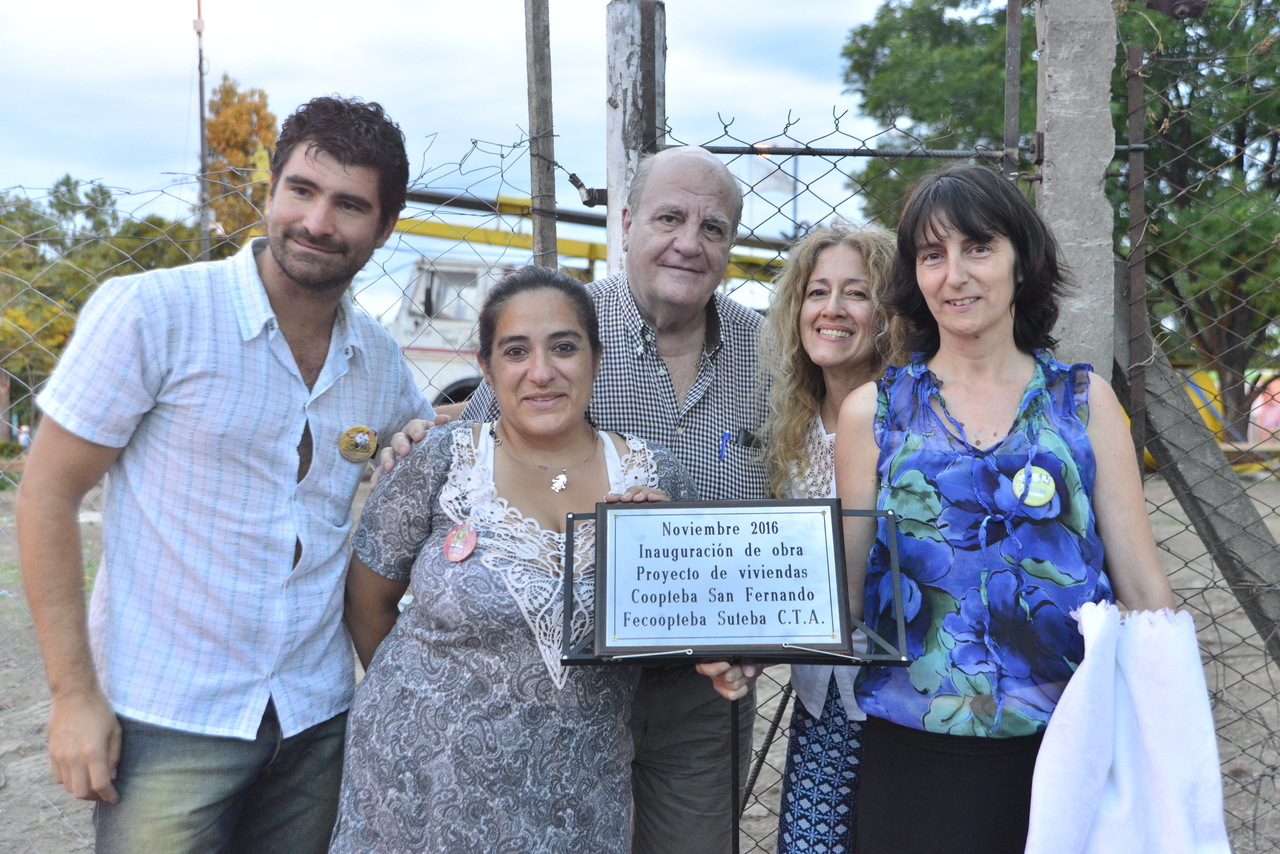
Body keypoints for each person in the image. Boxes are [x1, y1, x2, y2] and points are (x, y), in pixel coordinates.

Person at [16, 96, 434, 854]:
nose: (316, 222)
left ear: (385, 227)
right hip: (169, 720)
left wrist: (413, 439)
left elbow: (424, 445)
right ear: (271, 191)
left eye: (349, 205)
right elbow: (47, 493)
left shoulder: (378, 363)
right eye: (301, 190)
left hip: (314, 719)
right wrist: (73, 696)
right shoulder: (155, 314)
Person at [384, 145, 769, 854]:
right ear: (625, 222)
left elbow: (803, 495)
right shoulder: (560, 329)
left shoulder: (770, 355)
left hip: (702, 687)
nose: (689, 243)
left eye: (712, 228)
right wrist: (421, 437)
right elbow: (477, 457)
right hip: (563, 683)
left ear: (731, 242)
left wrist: (763, 629)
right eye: (669, 218)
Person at [833, 164, 1176, 853]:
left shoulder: (1084, 405)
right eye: (932, 255)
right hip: (916, 754)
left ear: (1023, 261)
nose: (955, 275)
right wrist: (744, 649)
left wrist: (1173, 748)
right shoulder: (873, 414)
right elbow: (838, 598)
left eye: (979, 247)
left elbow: (1145, 591)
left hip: (1070, 752)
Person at [328, 266, 696, 853]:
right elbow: (366, 601)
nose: (541, 372)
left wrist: (665, 547)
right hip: (418, 780)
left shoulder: (656, 479)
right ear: (487, 367)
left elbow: (690, 622)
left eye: (564, 348)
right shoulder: (439, 461)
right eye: (516, 351)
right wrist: (430, 706)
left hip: (573, 787)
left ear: (596, 359)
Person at [761, 223, 897, 853]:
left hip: (906, 699)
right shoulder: (792, 424)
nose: (833, 309)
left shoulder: (914, 416)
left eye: (857, 293)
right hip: (822, 700)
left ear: (890, 313)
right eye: (818, 292)